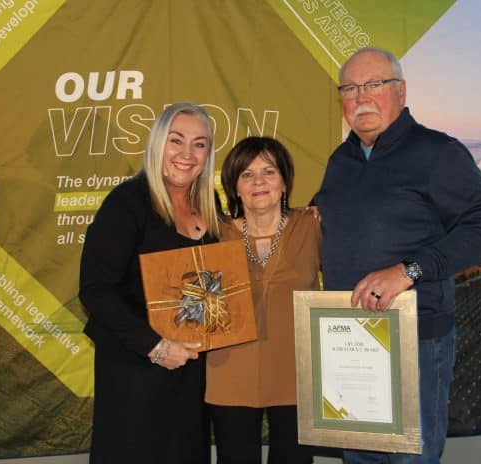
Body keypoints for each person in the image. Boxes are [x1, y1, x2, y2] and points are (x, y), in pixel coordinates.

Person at [313, 47, 481, 463]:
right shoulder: (339, 161)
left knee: (411, 458)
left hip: (416, 340)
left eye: (374, 85)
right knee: (361, 456)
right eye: (350, 88)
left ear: (400, 91)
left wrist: (407, 271)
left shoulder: (438, 153)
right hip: (351, 342)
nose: (361, 96)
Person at [79, 102, 220, 463]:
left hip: (191, 374)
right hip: (137, 370)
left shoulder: (210, 203)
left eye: (199, 144)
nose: (187, 154)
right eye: (177, 140)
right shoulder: (127, 203)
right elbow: (95, 290)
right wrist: (156, 347)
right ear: (158, 143)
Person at [206, 136, 320, 464]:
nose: (258, 182)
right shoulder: (214, 232)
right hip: (229, 373)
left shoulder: (312, 226)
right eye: (247, 174)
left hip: (298, 372)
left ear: (284, 182)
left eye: (268, 172)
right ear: (234, 187)